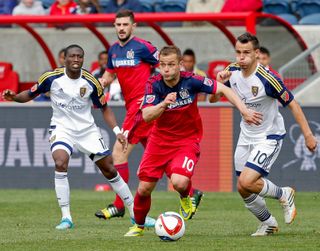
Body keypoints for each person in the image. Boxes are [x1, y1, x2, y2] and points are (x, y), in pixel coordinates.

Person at [124, 45, 263, 237]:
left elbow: (223, 88)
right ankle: (138, 226)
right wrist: (164, 103)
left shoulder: (192, 80)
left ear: (180, 65)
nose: (166, 69)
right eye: (162, 65)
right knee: (144, 187)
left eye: (171, 64)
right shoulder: (153, 84)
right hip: (159, 141)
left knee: (180, 182)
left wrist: (244, 110)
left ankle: (186, 197)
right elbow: (147, 115)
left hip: (187, 140)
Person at [2, 44, 136, 230]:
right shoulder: (51, 78)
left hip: (87, 131)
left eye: (79, 57)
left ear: (83, 59)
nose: (75, 60)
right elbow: (31, 93)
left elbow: (104, 108)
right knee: (60, 162)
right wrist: (14, 97)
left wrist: (117, 131)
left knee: (110, 170)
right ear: (64, 59)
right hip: (62, 128)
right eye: (72, 56)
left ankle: (135, 214)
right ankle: (66, 218)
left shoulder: (91, 81)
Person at [95, 10, 204, 223]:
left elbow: (166, 66)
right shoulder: (114, 51)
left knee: (119, 152)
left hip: (142, 106)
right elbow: (109, 74)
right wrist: (101, 83)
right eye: (118, 24)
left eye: (125, 24)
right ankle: (191, 193)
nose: (121, 28)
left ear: (133, 26)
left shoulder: (142, 47)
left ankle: (119, 206)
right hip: (137, 110)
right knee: (158, 161)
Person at [212, 32, 318, 236]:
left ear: (256, 53)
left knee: (248, 181)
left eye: (246, 53)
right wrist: (218, 82)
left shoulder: (268, 78)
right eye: (238, 53)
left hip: (269, 136)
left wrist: (308, 135)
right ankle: (268, 223)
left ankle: (283, 194)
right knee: (243, 188)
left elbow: (293, 104)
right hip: (246, 136)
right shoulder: (230, 71)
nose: (241, 58)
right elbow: (214, 99)